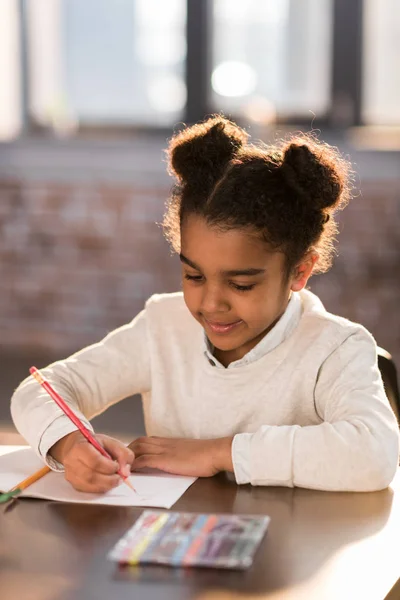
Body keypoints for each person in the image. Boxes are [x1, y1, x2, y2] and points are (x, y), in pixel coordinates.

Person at [11, 116, 399, 494]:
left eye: (241, 284)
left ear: (299, 271)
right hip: (171, 542)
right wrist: (69, 444)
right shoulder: (163, 326)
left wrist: (219, 453)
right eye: (194, 276)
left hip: (288, 549)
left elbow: (376, 453)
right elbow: (41, 389)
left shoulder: (335, 349)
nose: (211, 303)